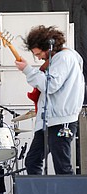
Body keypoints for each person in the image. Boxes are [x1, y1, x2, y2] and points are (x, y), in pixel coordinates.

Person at [15, 25, 85, 175]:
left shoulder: (64, 58)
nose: (38, 58)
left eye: (39, 53)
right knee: (33, 161)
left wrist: (27, 70)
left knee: (62, 165)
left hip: (60, 121)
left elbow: (51, 85)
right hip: (50, 120)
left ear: (48, 47)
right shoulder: (62, 58)